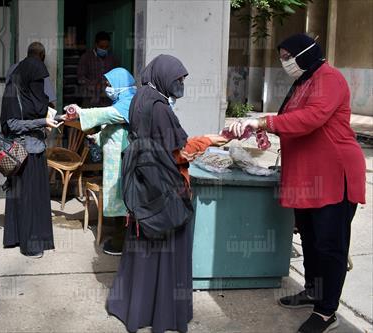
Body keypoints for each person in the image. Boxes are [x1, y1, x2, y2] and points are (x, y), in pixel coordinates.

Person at [230, 34, 366, 333]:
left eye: (287, 56)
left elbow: (313, 117)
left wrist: (264, 122)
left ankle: (327, 311)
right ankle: (314, 292)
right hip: (307, 176)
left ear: (306, 54)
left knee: (330, 245)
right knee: (309, 239)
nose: (285, 62)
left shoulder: (328, 78)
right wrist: (266, 130)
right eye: (281, 57)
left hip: (333, 174)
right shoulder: (304, 80)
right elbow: (290, 119)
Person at [106, 54, 229, 333]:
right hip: (164, 188)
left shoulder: (141, 98)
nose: (181, 83)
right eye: (178, 78)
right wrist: (209, 140)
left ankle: (134, 309)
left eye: (183, 79)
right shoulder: (160, 107)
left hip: (144, 185)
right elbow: (179, 151)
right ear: (164, 76)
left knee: (143, 249)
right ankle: (164, 314)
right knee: (168, 245)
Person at [0, 43, 62, 258]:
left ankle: (18, 237)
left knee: (32, 198)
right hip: (22, 151)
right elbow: (13, 124)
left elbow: (43, 111)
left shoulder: (28, 89)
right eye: (37, 81)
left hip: (35, 148)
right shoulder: (13, 91)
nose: (40, 86)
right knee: (27, 199)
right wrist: (40, 122)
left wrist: (58, 118)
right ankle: (29, 245)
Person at [67, 67, 136, 256]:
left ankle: (120, 243)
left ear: (121, 85)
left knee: (122, 200)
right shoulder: (123, 101)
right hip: (118, 158)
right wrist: (97, 137)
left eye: (109, 84)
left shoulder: (128, 102)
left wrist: (80, 112)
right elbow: (112, 128)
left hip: (124, 159)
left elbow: (107, 115)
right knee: (119, 198)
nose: (106, 88)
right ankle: (119, 238)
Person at [5, 42, 57, 109]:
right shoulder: (39, 69)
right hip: (29, 115)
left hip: (11, 110)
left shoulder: (12, 68)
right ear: (42, 55)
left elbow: (9, 91)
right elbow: (47, 100)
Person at [77, 31, 119, 107]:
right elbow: (80, 78)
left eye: (106, 47)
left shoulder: (112, 59)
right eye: (101, 47)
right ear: (96, 45)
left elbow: (117, 77)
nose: (104, 49)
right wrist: (95, 86)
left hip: (107, 101)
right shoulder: (86, 58)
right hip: (90, 100)